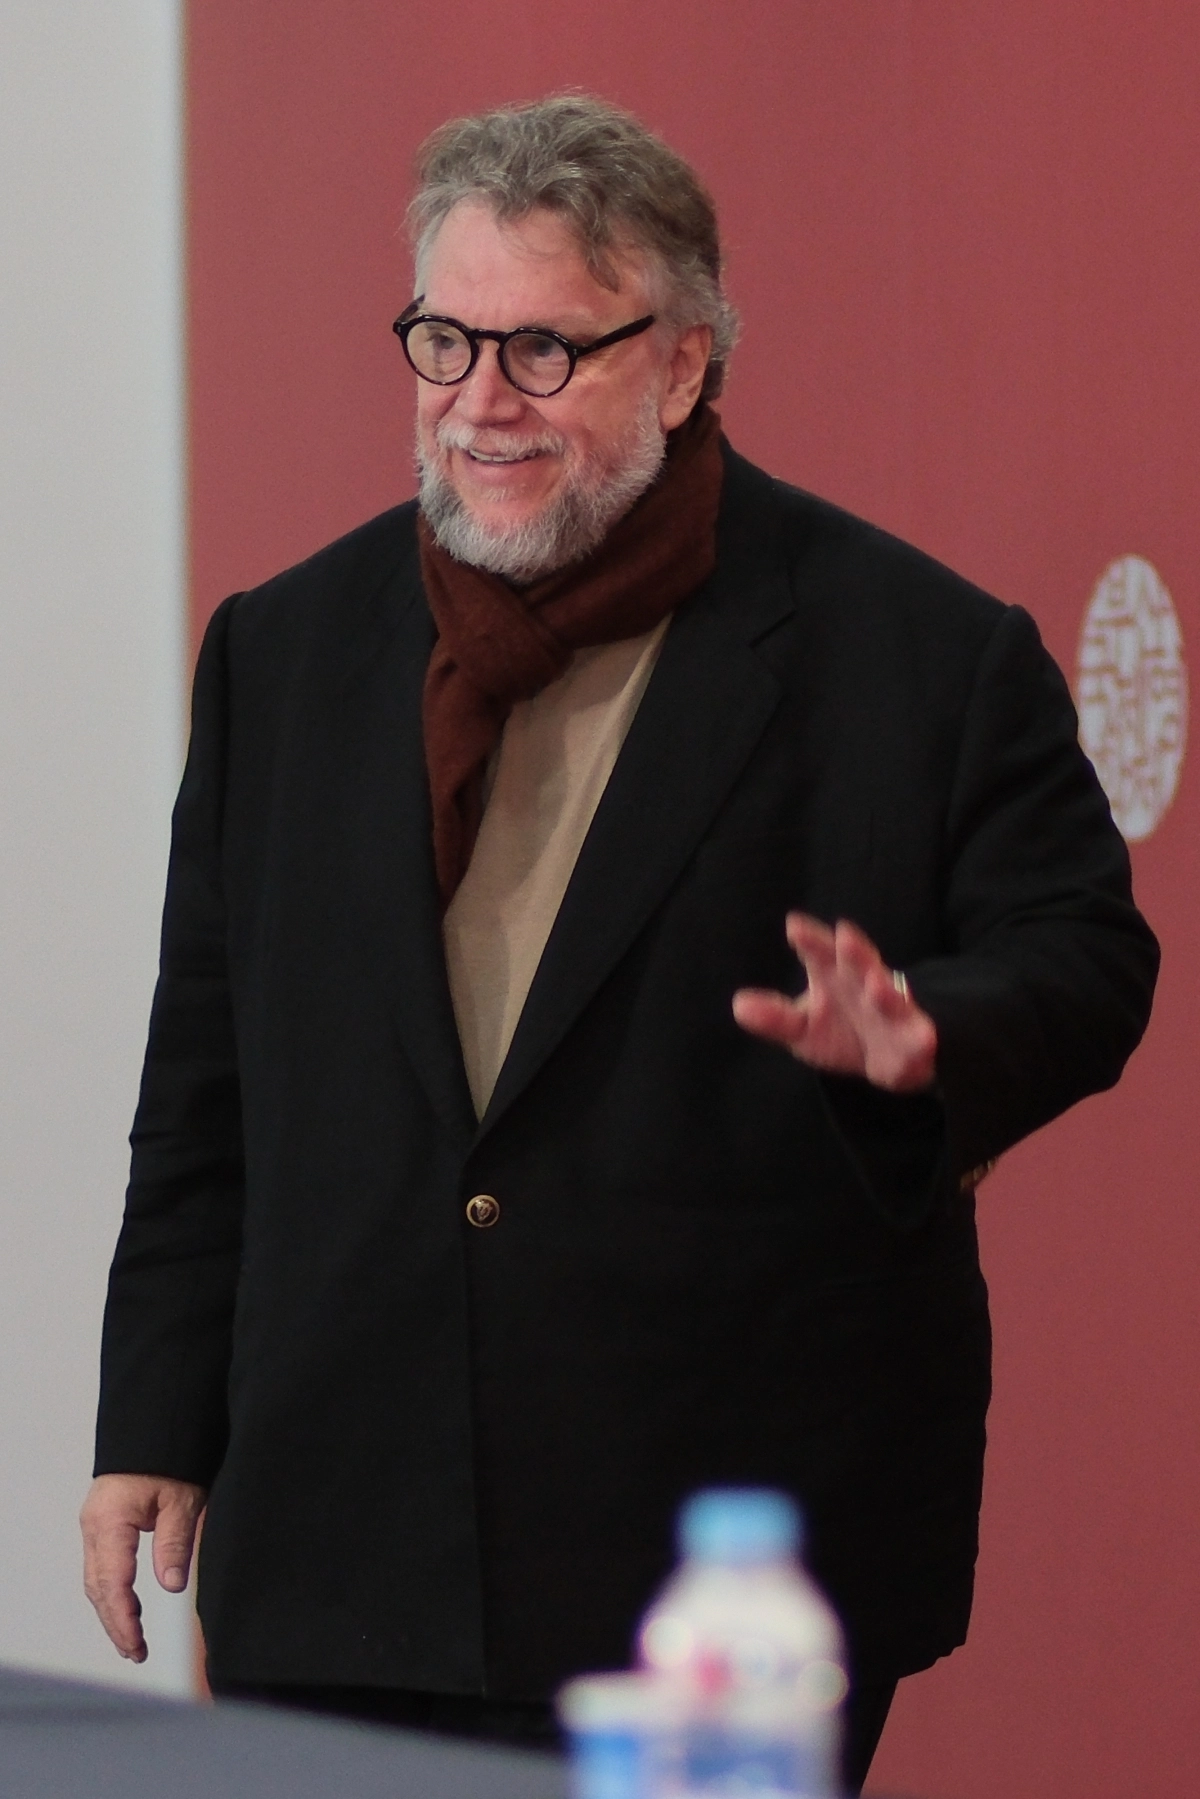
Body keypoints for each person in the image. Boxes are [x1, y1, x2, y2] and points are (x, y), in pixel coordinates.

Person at [81, 96, 1157, 1793]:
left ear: (683, 364)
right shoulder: (283, 652)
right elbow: (204, 1071)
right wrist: (155, 1415)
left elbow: (1086, 954)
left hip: (712, 1573)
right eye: (444, 340)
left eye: (543, 350)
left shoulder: (918, 654)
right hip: (347, 1535)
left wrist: (927, 1034)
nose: (477, 401)